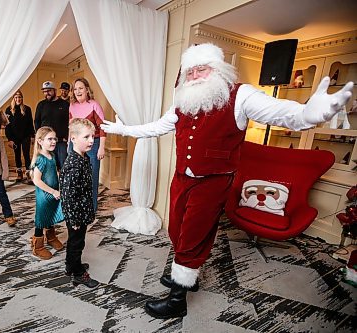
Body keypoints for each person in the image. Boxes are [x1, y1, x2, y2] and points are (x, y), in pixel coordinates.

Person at [101, 43, 354, 319]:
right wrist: (124, 129)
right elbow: (157, 127)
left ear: (218, 70)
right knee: (177, 230)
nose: (195, 76)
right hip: (182, 179)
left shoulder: (241, 95)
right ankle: (188, 276)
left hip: (213, 183)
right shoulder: (182, 102)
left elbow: (276, 110)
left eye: (202, 69)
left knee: (194, 235)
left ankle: (177, 300)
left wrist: (307, 114)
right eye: (191, 71)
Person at [60, 118, 99, 289]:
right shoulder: (73, 164)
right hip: (76, 214)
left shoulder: (83, 158)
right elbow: (68, 196)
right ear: (73, 138)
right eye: (86, 137)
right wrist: (73, 219)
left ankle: (71, 266)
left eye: (92, 136)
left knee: (77, 241)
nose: (91, 140)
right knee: (77, 243)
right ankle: (78, 274)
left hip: (81, 211)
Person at [69, 78, 106, 213]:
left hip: (93, 145)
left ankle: (91, 208)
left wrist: (101, 147)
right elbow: (71, 128)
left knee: (92, 177)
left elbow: (102, 127)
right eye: (75, 88)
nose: (78, 91)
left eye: (81, 88)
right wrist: (69, 145)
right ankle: (78, 205)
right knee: (77, 177)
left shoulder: (94, 105)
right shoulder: (72, 106)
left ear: (87, 89)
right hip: (75, 146)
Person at [30, 126, 65, 260]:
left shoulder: (52, 156)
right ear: (40, 141)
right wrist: (52, 191)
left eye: (54, 139)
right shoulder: (41, 159)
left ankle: (51, 237)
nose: (53, 141)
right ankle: (37, 246)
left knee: (50, 214)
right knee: (41, 218)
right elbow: (37, 180)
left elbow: (54, 171)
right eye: (49, 139)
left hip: (53, 191)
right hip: (45, 194)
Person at [35, 81, 70, 171]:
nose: (47, 93)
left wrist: (67, 137)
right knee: (47, 166)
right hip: (46, 142)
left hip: (61, 142)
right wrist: (39, 138)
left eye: (49, 91)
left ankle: (63, 185)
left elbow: (70, 122)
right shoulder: (41, 105)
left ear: (54, 90)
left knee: (63, 166)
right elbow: (37, 122)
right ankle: (49, 184)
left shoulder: (65, 104)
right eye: (45, 91)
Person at [5, 90, 35, 182]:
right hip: (14, 137)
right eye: (16, 97)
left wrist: (32, 135)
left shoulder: (27, 109)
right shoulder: (9, 110)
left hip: (25, 136)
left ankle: (28, 174)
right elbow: (8, 126)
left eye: (20, 97)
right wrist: (10, 139)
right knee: (17, 155)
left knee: (26, 155)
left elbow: (30, 123)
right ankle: (19, 173)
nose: (18, 99)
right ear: (13, 98)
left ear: (22, 98)